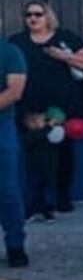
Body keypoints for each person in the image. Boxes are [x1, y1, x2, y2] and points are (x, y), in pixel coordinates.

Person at [10, 1, 83, 213]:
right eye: (28, 14)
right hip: (30, 108)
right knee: (35, 154)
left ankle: (62, 197)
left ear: (48, 16)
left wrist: (63, 55)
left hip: (64, 107)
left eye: (38, 14)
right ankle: (36, 201)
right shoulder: (18, 42)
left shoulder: (64, 38)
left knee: (64, 153)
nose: (33, 18)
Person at [0, 37, 28, 267]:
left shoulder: (10, 53)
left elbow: (15, 91)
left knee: (7, 190)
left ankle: (15, 246)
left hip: (2, 127)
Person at [21, 112, 57, 223]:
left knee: (48, 191)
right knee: (33, 191)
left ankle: (48, 212)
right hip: (34, 169)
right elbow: (36, 138)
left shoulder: (47, 134)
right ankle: (30, 211)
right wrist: (47, 127)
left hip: (48, 168)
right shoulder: (29, 136)